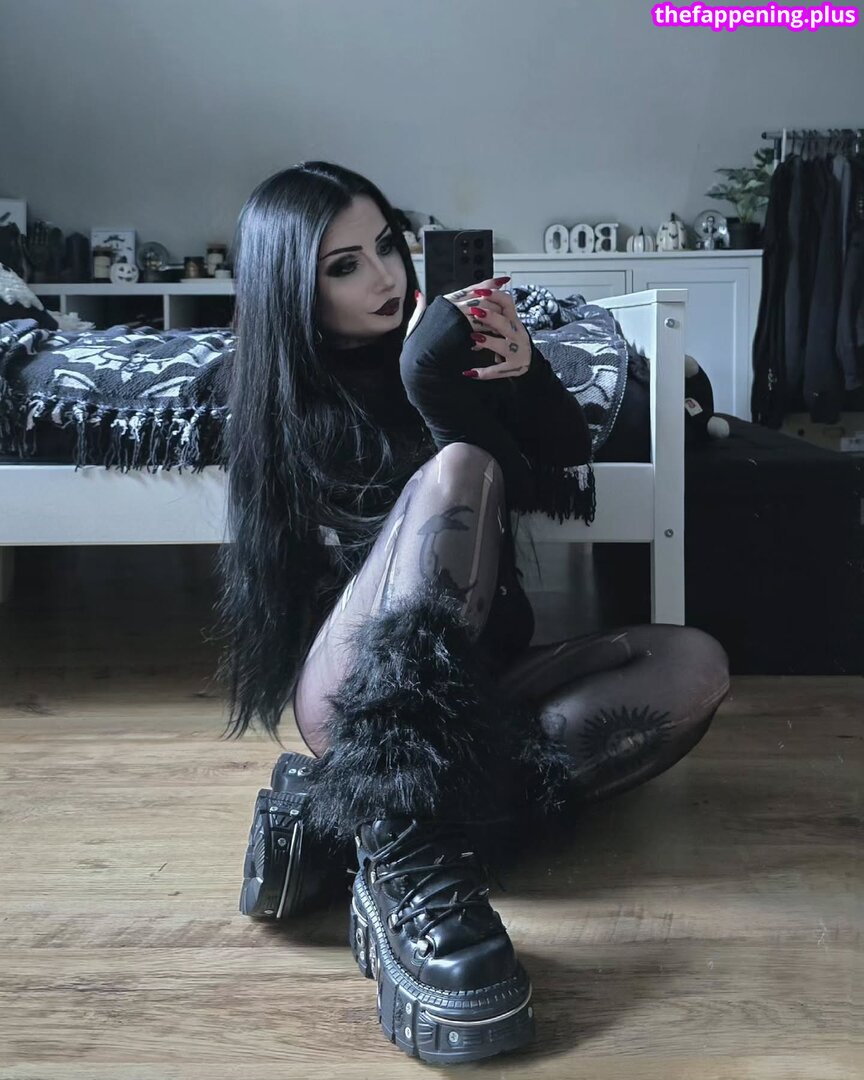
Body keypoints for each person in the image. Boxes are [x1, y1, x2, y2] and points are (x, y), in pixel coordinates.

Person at [217, 161, 730, 1066]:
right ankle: (413, 862)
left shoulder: (441, 359)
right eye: (344, 266)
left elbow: (556, 461)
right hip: (355, 700)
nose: (384, 277)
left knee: (693, 666)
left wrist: (523, 374)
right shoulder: (288, 402)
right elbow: (442, 495)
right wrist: (432, 389)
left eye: (386, 246)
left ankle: (355, 825)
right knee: (458, 470)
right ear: (291, 286)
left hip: (481, 693)